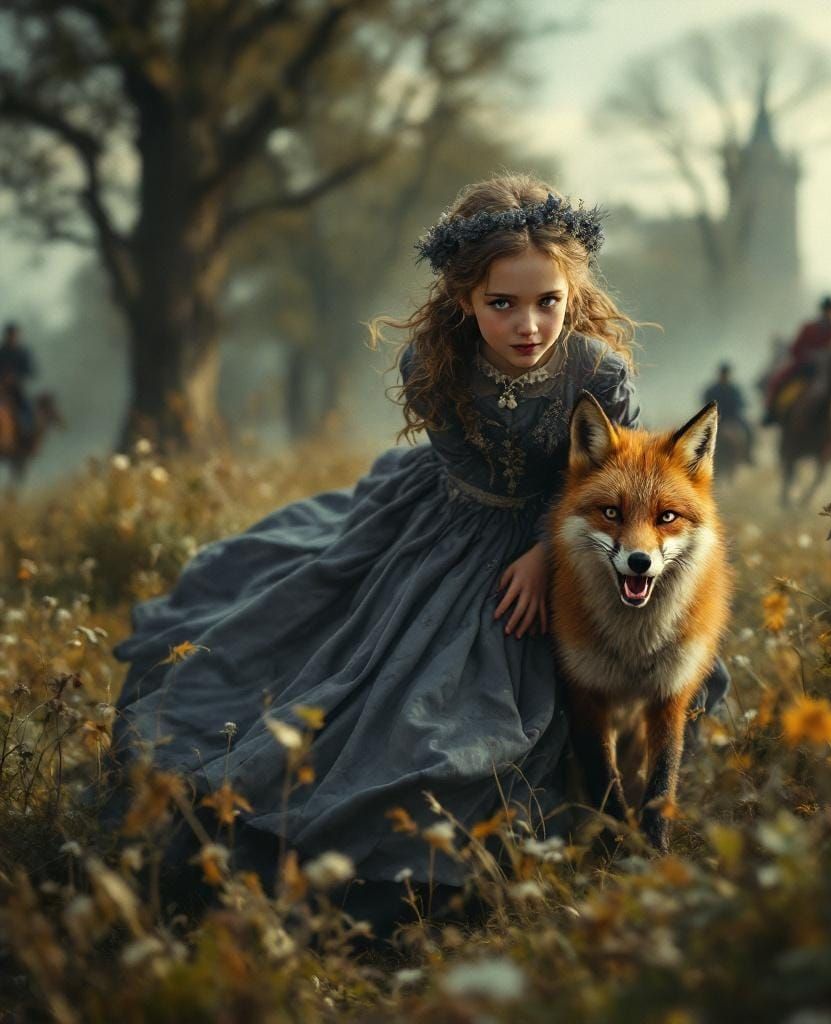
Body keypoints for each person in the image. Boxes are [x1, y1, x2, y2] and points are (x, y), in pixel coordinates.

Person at [100, 174, 730, 931]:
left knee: (630, 651)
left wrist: (545, 554)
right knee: (409, 686)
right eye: (502, 303)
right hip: (455, 527)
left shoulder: (598, 372)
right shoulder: (436, 366)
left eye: (547, 301)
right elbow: (473, 477)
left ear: (572, 293)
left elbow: (608, 481)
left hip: (572, 533)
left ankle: (616, 805)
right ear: (464, 298)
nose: (528, 325)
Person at [762, 296, 831, 425]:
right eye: (827, 310)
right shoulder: (809, 328)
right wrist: (810, 356)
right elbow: (795, 349)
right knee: (779, 381)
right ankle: (772, 411)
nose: (829, 314)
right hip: (807, 369)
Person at [702, 362, 754, 463]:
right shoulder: (712, 390)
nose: (725, 376)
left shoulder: (734, 389)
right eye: (724, 373)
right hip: (717, 419)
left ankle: (748, 454)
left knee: (749, 431)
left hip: (732, 418)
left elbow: (741, 403)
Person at [0, 321, 36, 443]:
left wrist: (15, 377)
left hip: (16, 388)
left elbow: (30, 371)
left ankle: (26, 434)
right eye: (11, 335)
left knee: (26, 407)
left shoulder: (23, 352)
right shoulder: (1, 352)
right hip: (2, 388)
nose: (13, 337)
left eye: (15, 335)